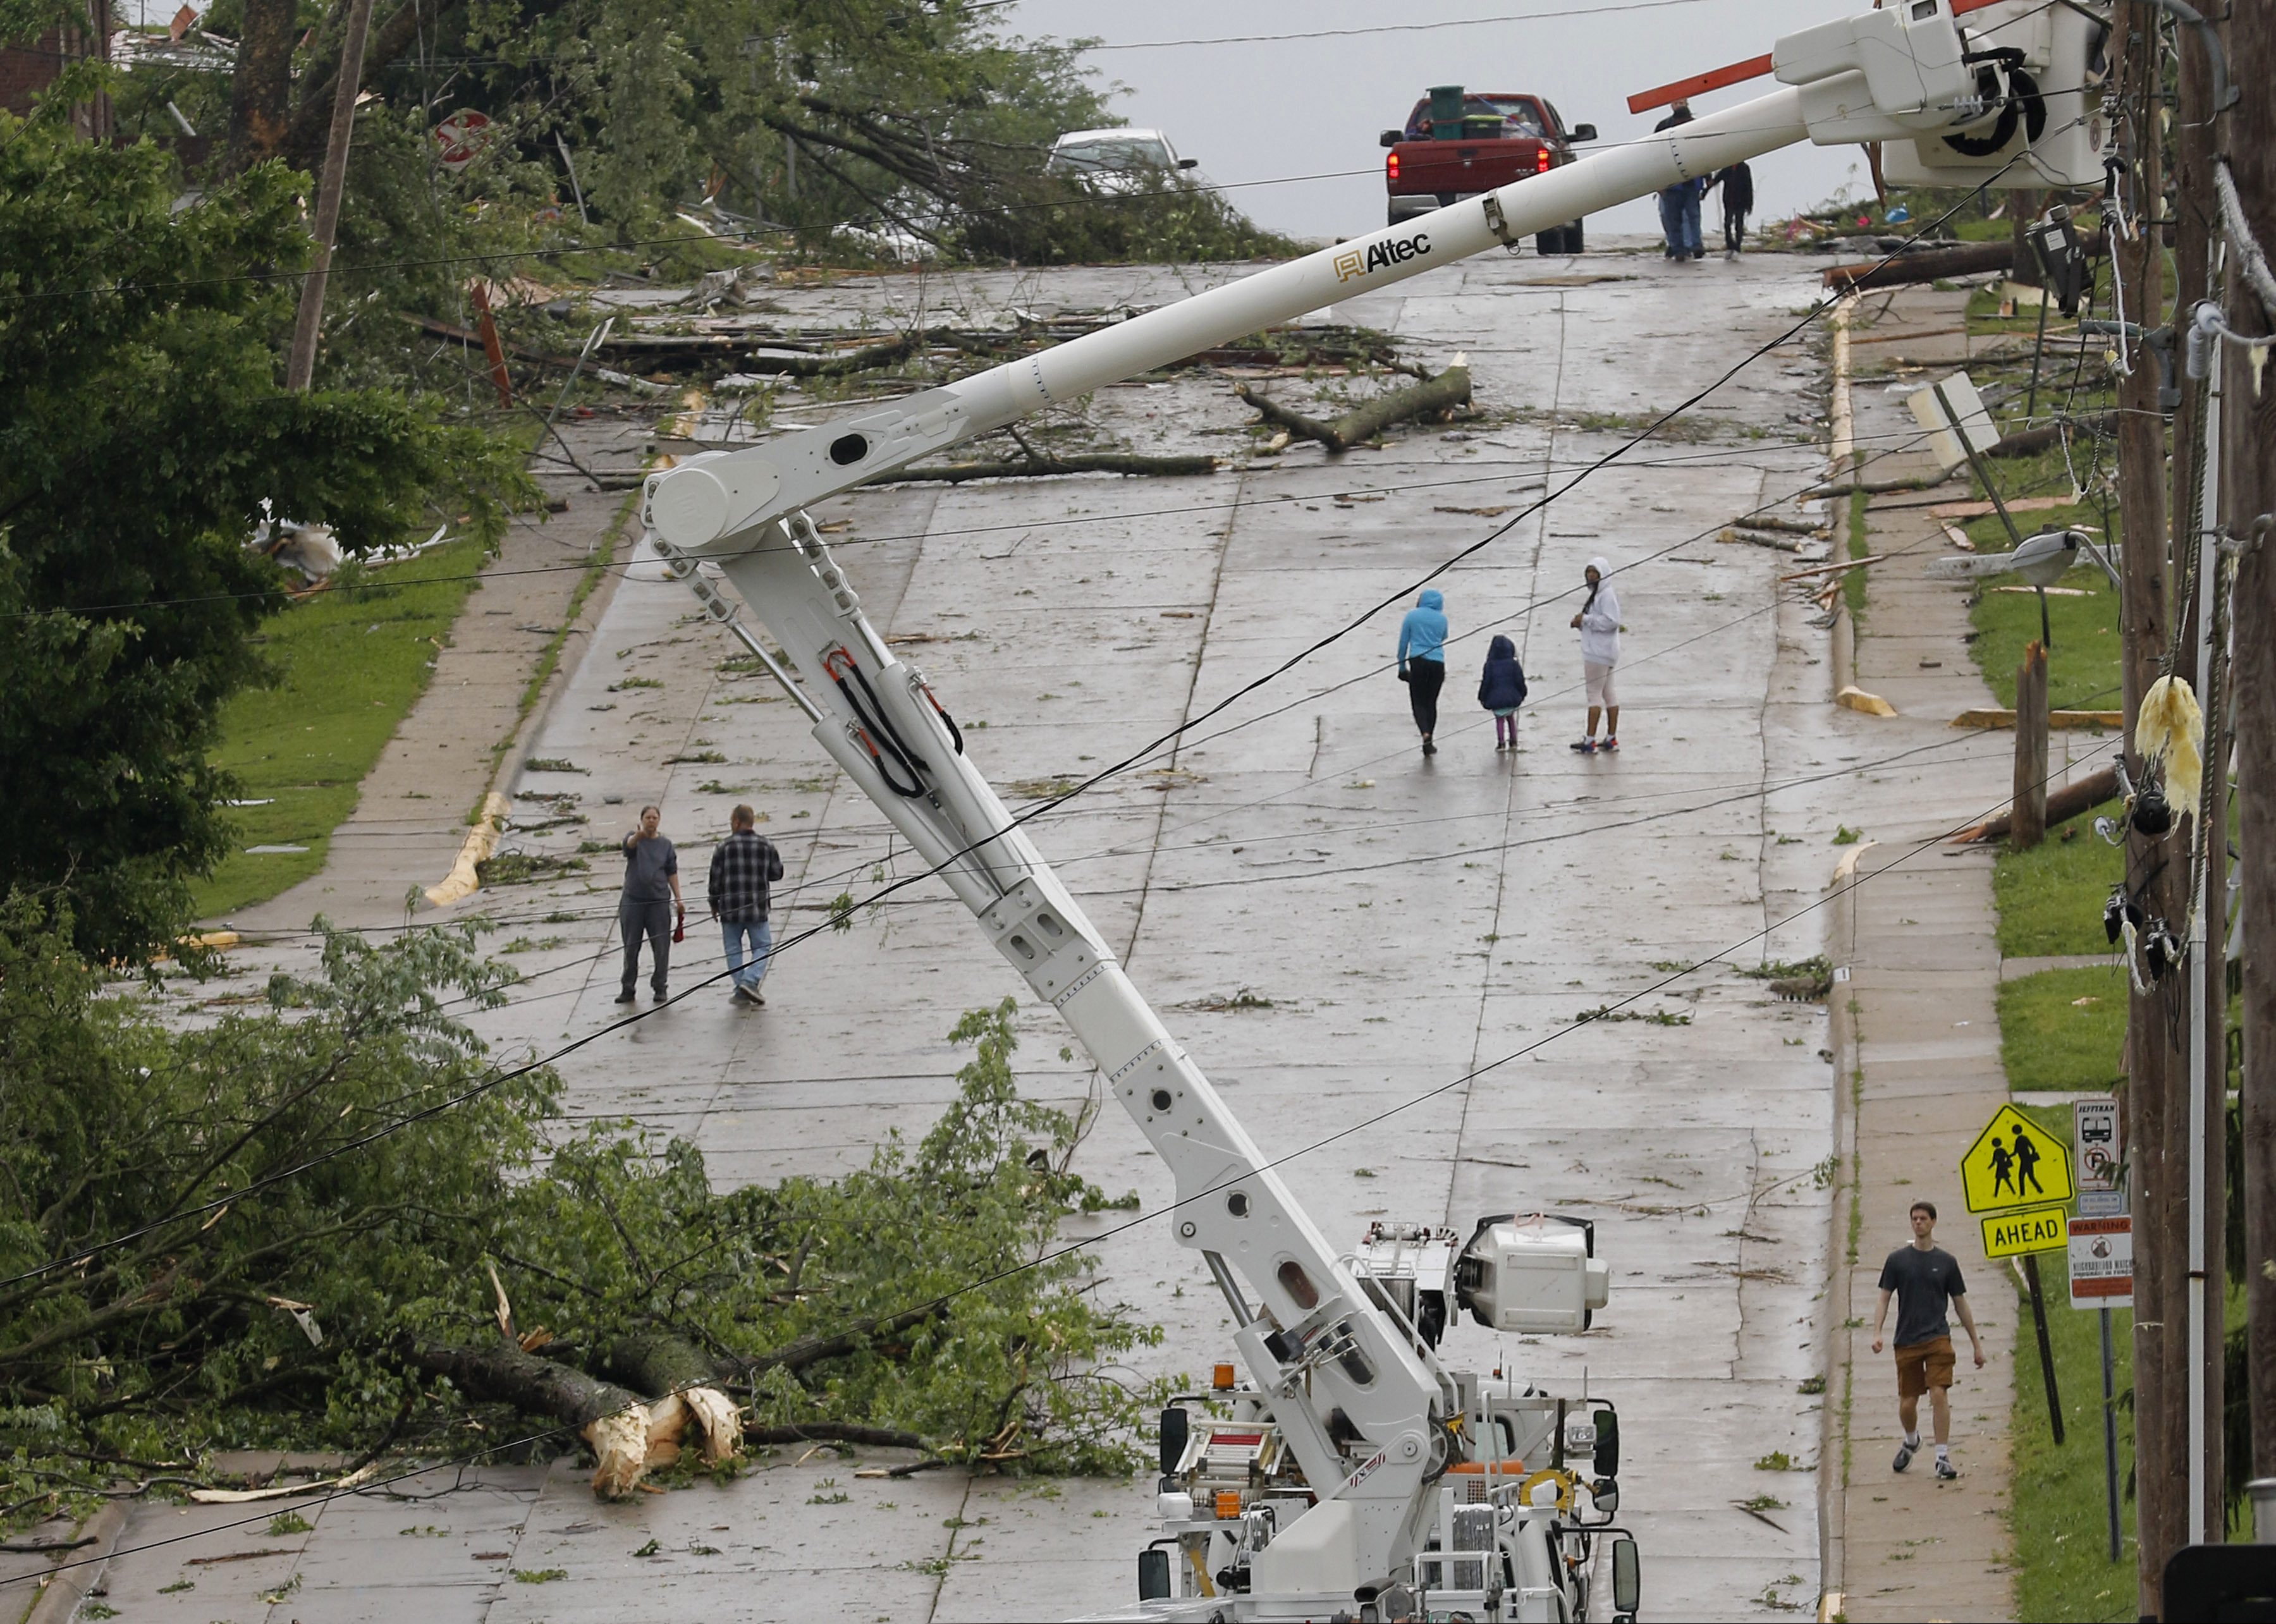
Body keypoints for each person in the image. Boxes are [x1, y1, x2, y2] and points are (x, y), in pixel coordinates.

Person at [1870, 1200, 1986, 1481]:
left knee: (1938, 1393)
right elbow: (1884, 1298)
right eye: (1914, 1219)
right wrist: (1877, 1332)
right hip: (1907, 1339)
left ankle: (1942, 1457)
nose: (1918, 1223)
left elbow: (1960, 1304)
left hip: (1938, 1338)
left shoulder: (1946, 1263)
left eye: (1923, 1218)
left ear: (1934, 1222)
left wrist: (1976, 1345)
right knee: (1908, 1403)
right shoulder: (1897, 1260)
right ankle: (1912, 1440)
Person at [708, 803, 784, 1008]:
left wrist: (713, 903)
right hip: (757, 908)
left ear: (736, 822)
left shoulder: (723, 847)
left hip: (730, 909)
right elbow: (777, 873)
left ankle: (742, 987)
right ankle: (750, 981)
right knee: (762, 946)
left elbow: (715, 879)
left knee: (733, 950)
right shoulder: (766, 846)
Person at [616, 804, 682, 1005]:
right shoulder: (635, 838)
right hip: (633, 901)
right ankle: (628, 988)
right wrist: (639, 836)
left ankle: (660, 986)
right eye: (648, 818)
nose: (651, 821)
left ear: (659, 821)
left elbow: (672, 871)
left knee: (661, 947)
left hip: (659, 902)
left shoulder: (665, 845)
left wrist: (679, 899)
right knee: (631, 947)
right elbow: (628, 847)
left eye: (654, 818)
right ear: (642, 820)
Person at [1568, 557, 1622, 752]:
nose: (1591, 576)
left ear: (1603, 575)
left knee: (1594, 696)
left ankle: (1590, 740)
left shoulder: (1606, 595)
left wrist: (1587, 620)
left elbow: (1611, 622)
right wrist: (1581, 623)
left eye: (1595, 573)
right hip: (1606, 652)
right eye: (1588, 572)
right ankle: (1611, 738)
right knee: (1609, 694)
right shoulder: (1599, 594)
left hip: (1597, 654)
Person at [1397, 588, 1449, 756]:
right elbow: (1443, 637)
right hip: (1438, 663)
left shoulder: (1412, 616)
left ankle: (1425, 734)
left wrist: (1402, 667)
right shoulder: (1442, 619)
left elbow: (1403, 643)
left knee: (1418, 702)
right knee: (1431, 703)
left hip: (1418, 662)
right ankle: (1430, 741)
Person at [1653, 101, 1703, 260]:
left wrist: (1707, 177)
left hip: (1691, 182)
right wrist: (1658, 183)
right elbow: (1655, 156)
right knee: (1672, 218)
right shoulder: (1664, 128)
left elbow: (1706, 154)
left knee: (1692, 216)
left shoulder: (1697, 128)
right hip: (1672, 184)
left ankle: (1694, 246)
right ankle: (1678, 248)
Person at [1478, 633, 1528, 751]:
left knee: (1499, 720)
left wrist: (1482, 697)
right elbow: (1519, 680)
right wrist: (1523, 693)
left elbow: (1486, 683)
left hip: (1495, 699)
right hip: (1512, 698)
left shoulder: (1489, 665)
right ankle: (1513, 741)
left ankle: (1501, 743)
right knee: (1511, 718)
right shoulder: (1514, 664)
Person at [1714, 160, 1753, 253]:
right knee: (1727, 223)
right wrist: (1704, 192)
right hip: (1729, 201)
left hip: (1741, 202)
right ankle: (1730, 243)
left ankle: (1738, 244)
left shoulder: (1744, 168)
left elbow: (1749, 186)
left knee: (1739, 224)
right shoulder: (1727, 168)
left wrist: (1749, 204)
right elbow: (1716, 180)